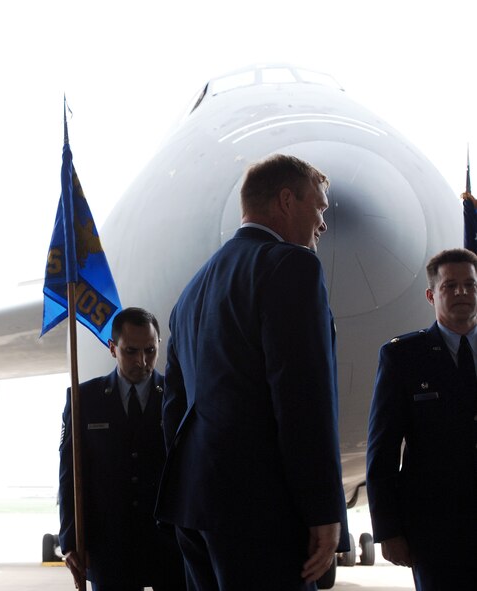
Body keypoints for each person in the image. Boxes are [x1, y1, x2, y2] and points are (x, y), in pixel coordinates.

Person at [155, 154, 349, 590]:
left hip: (196, 509)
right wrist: (323, 510)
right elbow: (302, 400)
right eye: (318, 208)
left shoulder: (192, 291)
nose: (322, 223)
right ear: (285, 201)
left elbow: (175, 412)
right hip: (262, 514)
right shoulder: (291, 266)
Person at [366, 248, 477, 590]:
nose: (462, 293)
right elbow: (382, 450)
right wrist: (389, 530)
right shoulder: (404, 357)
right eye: (450, 286)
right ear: (431, 295)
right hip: (435, 535)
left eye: (470, 285)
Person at [59, 307, 186, 591]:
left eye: (150, 351)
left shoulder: (178, 395)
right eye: (131, 351)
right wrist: (70, 541)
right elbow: (71, 475)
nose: (142, 361)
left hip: (167, 544)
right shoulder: (84, 399)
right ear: (113, 348)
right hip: (109, 545)